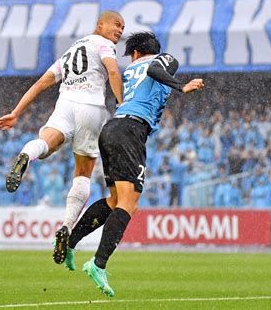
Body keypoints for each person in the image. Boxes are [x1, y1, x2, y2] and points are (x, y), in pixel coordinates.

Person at [63, 31, 203, 297]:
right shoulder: (163, 59)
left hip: (112, 128)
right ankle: (98, 263)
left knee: (115, 200)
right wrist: (182, 86)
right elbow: (153, 68)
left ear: (135, 53)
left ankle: (71, 241)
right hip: (130, 130)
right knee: (129, 203)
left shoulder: (128, 72)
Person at [0, 10, 125, 264]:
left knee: (47, 144)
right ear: (100, 25)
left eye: (122, 28)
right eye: (116, 25)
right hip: (91, 107)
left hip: (65, 103)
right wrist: (122, 103)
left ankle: (26, 155)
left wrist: (16, 112)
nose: (119, 30)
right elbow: (114, 73)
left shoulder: (71, 50)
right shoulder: (104, 45)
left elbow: (41, 82)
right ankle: (66, 226)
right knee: (83, 173)